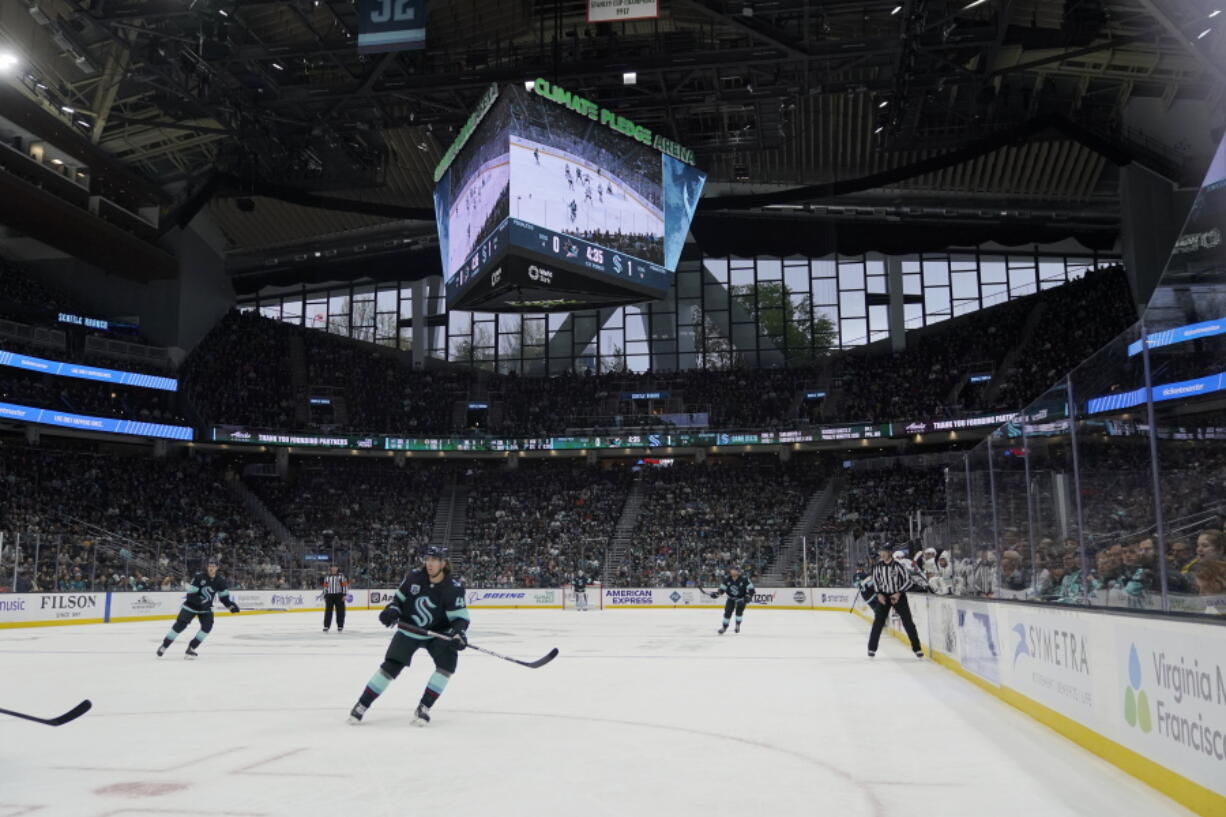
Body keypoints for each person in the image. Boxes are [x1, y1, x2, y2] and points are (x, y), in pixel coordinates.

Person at [348, 546, 470, 726]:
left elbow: (459, 617)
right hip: (410, 630)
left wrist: (459, 633)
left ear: (443, 563)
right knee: (390, 667)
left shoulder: (453, 588)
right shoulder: (413, 577)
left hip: (438, 633)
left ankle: (424, 707)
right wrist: (392, 611)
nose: (429, 563)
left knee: (447, 667)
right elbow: (398, 600)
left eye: (434, 560)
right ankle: (361, 705)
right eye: (428, 559)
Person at [156, 557, 239, 659]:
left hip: (205, 609)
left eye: (213, 566)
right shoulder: (198, 577)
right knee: (179, 626)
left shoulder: (220, 581)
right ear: (207, 567)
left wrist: (230, 606)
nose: (211, 568)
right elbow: (190, 595)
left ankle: (191, 648)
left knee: (207, 628)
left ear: (217, 567)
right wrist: (202, 602)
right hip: (190, 607)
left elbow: (224, 598)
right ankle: (164, 646)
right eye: (209, 566)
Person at [867, 545, 923, 659]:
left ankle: (917, 648)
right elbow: (876, 581)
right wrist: (879, 594)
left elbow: (909, 581)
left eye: (884, 552)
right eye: (881, 551)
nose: (882, 554)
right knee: (878, 622)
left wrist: (899, 593)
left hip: (898, 596)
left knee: (908, 622)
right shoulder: (877, 567)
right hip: (884, 596)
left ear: (890, 553)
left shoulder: (898, 566)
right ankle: (871, 648)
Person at [707, 565, 754, 634]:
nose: (733, 571)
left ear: (738, 571)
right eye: (732, 570)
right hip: (730, 599)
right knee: (727, 613)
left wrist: (748, 596)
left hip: (741, 599)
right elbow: (722, 590)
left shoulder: (744, 579)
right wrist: (717, 594)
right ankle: (724, 627)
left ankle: (737, 625)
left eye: (734, 570)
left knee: (739, 613)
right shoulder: (727, 579)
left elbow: (751, 590)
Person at [322, 564, 349, 633]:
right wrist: (325, 595)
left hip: (339, 595)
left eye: (335, 567)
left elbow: (345, 585)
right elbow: (325, 586)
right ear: (331, 568)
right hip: (330, 596)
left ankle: (340, 626)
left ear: (337, 568)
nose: (334, 569)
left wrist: (344, 595)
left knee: (340, 612)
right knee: (328, 612)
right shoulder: (327, 577)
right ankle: (326, 626)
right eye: (332, 567)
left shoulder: (341, 576)